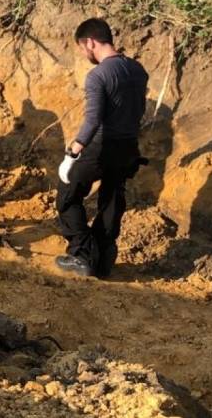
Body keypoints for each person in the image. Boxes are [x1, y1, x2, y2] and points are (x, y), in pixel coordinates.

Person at [55, 18, 149, 278]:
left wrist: (73, 151)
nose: (85, 54)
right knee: (112, 198)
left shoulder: (99, 75)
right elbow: (139, 110)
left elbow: (93, 119)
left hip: (101, 146)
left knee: (68, 193)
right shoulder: (138, 69)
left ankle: (82, 255)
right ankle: (104, 259)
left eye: (82, 48)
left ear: (90, 42)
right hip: (128, 147)